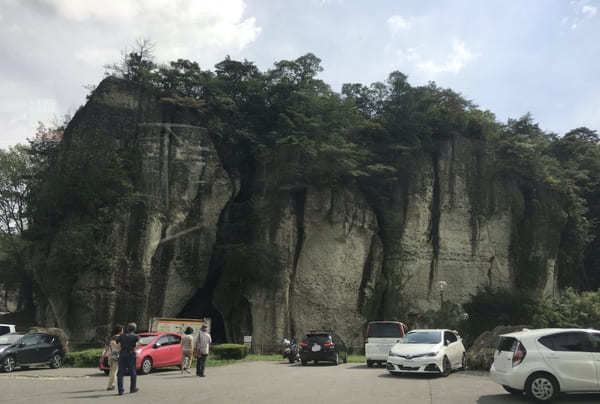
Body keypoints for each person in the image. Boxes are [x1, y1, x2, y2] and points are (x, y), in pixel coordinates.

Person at [116, 322, 141, 395]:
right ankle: (132, 388)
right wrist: (135, 348)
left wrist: (119, 349)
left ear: (127, 328)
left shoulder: (122, 335)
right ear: (135, 329)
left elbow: (116, 342)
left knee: (120, 372)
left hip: (122, 354)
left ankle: (120, 390)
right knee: (132, 371)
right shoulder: (136, 336)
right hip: (131, 354)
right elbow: (140, 342)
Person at [106, 325, 123, 391]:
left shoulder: (111, 338)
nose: (123, 331)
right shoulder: (120, 338)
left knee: (111, 371)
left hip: (110, 356)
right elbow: (119, 347)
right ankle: (111, 385)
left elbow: (107, 348)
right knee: (114, 371)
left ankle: (110, 384)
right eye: (122, 330)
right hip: (117, 356)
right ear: (120, 331)